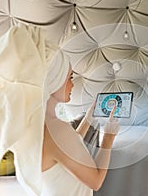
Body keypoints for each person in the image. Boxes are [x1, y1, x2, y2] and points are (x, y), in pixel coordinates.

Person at [42, 50, 120, 196]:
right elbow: (95, 181)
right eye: (70, 78)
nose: (72, 85)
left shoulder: (44, 123)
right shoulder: (58, 129)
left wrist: (89, 117)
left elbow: (69, 144)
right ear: (54, 80)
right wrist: (108, 138)